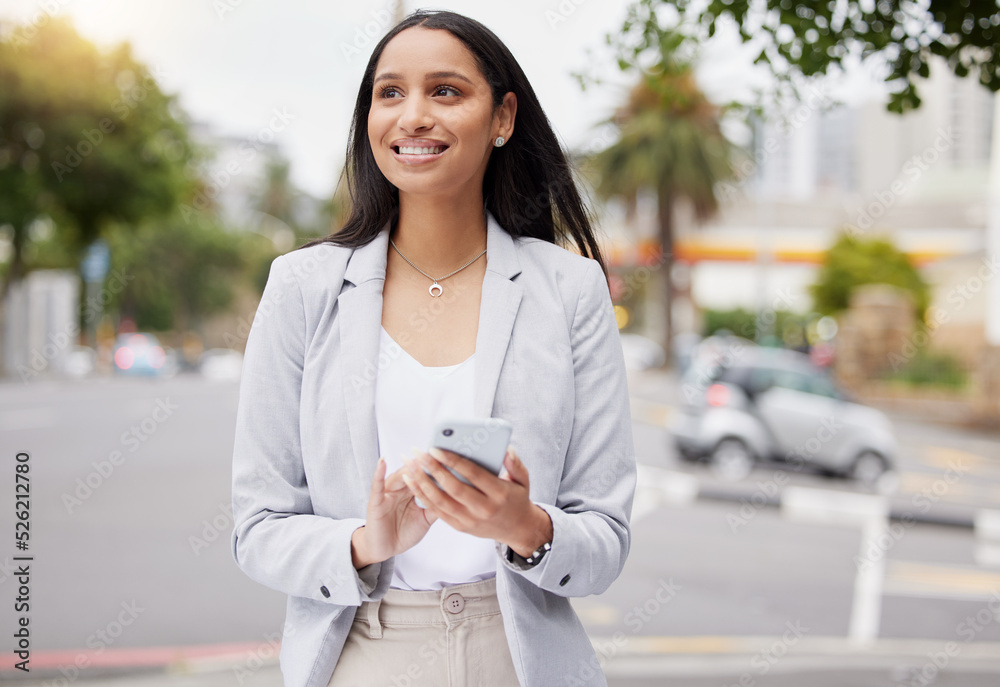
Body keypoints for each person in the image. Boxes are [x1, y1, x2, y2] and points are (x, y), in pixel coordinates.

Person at [230, 9, 636, 687]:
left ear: (502, 117)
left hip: (521, 655)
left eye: (445, 91)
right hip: (363, 649)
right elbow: (258, 526)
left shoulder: (570, 288)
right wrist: (365, 543)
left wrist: (527, 524)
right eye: (390, 93)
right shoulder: (303, 287)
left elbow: (606, 537)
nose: (412, 115)